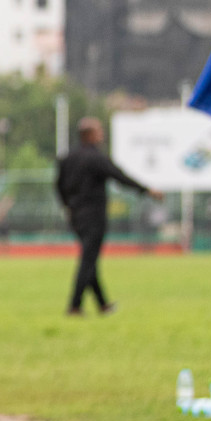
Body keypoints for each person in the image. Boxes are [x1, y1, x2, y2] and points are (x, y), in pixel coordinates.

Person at [55, 117, 163, 316]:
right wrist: (147, 190)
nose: (102, 135)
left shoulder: (67, 158)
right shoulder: (96, 158)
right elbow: (120, 177)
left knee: (90, 259)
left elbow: (59, 186)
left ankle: (103, 305)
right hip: (94, 216)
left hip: (75, 216)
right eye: (99, 131)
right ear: (90, 135)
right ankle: (74, 306)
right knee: (88, 260)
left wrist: (68, 207)